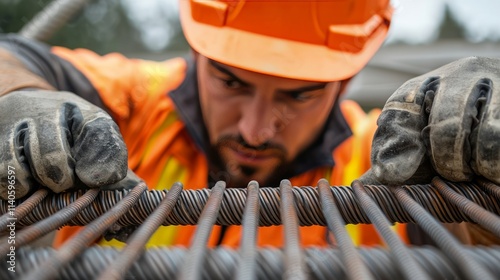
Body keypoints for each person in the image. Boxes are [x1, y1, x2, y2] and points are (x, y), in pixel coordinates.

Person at [0, 0, 499, 248]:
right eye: (231, 82)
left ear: (343, 84)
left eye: (299, 95)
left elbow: (473, 237)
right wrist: (16, 97)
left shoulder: (382, 162)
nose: (256, 131)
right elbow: (11, 57)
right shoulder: (131, 102)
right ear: (198, 54)